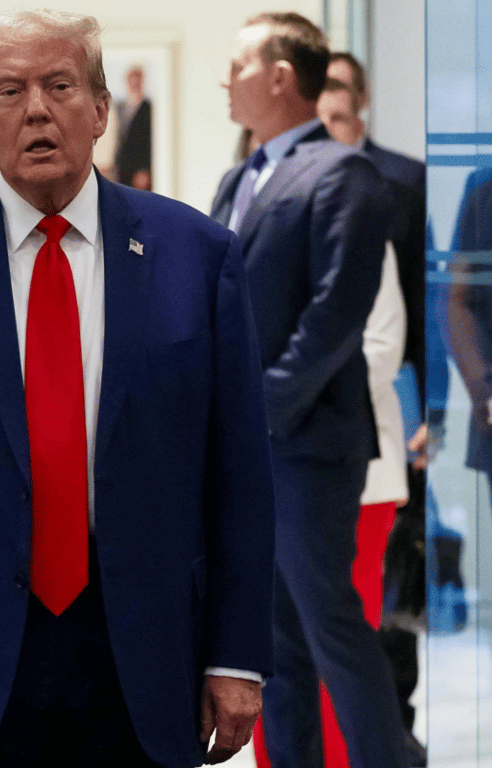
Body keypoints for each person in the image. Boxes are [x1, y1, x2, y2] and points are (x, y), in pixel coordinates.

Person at [0, 9, 276, 768]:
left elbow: (240, 472)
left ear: (100, 110)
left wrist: (237, 655)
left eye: (59, 86)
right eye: (9, 92)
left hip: (146, 654)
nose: (36, 109)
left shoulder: (197, 255)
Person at [211, 14, 407, 768]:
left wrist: (258, 409)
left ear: (280, 76)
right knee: (275, 644)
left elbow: (336, 315)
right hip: (253, 446)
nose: (225, 81)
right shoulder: (242, 176)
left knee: (331, 630)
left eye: (237, 66)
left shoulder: (342, 172)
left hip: (307, 444)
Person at [317, 59, 432, 766]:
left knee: (378, 604)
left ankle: (392, 736)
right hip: (307, 438)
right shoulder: (258, 189)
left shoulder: (398, 181)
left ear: (359, 106)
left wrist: (428, 411)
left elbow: (416, 313)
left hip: (384, 415)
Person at [114, 66, 152, 189]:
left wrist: (144, 169)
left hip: (139, 171)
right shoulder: (120, 107)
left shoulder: (149, 108)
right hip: (122, 168)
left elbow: (149, 140)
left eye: (136, 80)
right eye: (131, 80)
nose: (133, 84)